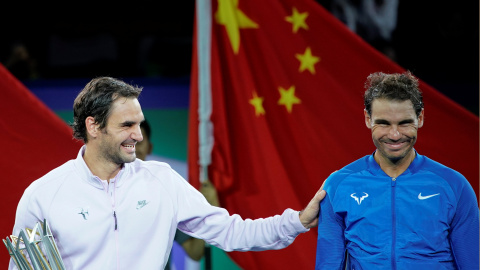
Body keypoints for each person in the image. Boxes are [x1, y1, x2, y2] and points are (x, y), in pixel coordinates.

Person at [9, 76, 326, 270]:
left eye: (139, 123)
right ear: (93, 126)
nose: (138, 135)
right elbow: (23, 267)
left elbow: (233, 232)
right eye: (127, 125)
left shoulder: (163, 182)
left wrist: (296, 221)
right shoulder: (42, 195)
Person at [315, 71, 479, 269]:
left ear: (420, 118)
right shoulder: (337, 185)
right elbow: (328, 264)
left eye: (404, 123)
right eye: (383, 123)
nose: (394, 135)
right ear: (368, 119)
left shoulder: (455, 186)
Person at [137, 119, 219, 269]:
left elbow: (195, 252)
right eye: (129, 142)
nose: (134, 148)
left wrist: (209, 206)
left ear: (149, 147)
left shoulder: (165, 193)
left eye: (139, 142)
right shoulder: (105, 193)